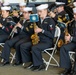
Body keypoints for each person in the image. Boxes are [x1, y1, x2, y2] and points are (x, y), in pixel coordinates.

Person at [20, 4, 55, 71]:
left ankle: (40, 64)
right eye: (38, 11)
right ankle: (33, 62)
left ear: (45, 11)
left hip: (47, 42)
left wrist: (42, 30)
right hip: (39, 40)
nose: (38, 13)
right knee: (23, 46)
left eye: (40, 11)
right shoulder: (38, 20)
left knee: (35, 48)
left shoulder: (50, 21)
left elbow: (52, 35)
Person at [59, 7, 76, 75]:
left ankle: (74, 71)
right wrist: (66, 36)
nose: (74, 16)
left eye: (75, 14)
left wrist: (71, 38)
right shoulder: (73, 22)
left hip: (74, 40)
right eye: (74, 14)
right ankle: (67, 68)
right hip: (74, 42)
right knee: (63, 48)